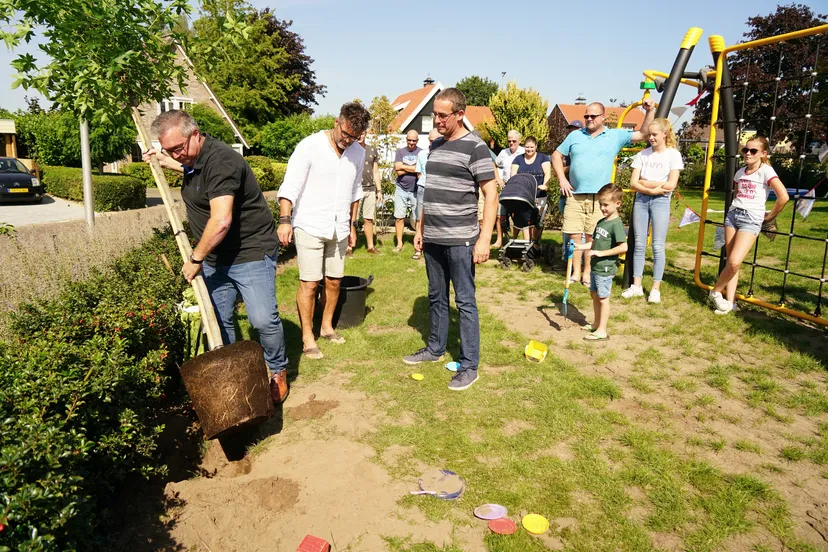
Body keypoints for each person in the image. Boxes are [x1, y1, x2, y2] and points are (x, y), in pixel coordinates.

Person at [145, 110, 289, 403]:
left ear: (196, 134)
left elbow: (221, 221)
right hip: (216, 256)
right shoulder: (193, 159)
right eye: (168, 150)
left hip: (248, 251)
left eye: (178, 148)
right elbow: (193, 171)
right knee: (219, 321)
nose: (177, 155)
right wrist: (165, 161)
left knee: (262, 320)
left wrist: (196, 258)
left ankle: (276, 370)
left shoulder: (223, 161)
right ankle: (235, 375)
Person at [403, 88, 497, 391]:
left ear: (460, 114)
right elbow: (429, 192)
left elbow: (491, 195)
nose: (437, 121)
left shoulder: (476, 147)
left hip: (461, 239)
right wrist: (420, 229)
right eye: (435, 114)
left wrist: (484, 240)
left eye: (443, 115)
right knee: (436, 296)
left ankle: (470, 365)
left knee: (465, 302)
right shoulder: (436, 146)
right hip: (433, 237)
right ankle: (435, 348)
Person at [277, 102, 370, 359]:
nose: (348, 140)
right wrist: (285, 220)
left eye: (354, 137)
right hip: (309, 224)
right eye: (346, 134)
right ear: (336, 122)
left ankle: (327, 326)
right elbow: (290, 186)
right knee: (310, 283)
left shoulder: (357, 153)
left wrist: (352, 225)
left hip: (339, 227)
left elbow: (354, 193)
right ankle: (307, 336)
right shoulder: (310, 146)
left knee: (334, 281)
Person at [553, 99, 655, 286]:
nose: (589, 119)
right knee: (574, 236)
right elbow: (556, 155)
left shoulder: (615, 135)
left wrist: (649, 111)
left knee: (593, 237)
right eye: (586, 116)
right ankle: (575, 272)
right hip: (575, 196)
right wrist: (562, 179)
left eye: (593, 116)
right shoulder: (575, 136)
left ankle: (587, 273)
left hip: (600, 199)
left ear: (603, 117)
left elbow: (643, 134)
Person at [708, 137, 789, 315]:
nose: (748, 154)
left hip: (751, 219)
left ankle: (714, 292)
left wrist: (768, 217)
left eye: (753, 151)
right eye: (746, 150)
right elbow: (737, 195)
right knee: (731, 263)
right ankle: (730, 303)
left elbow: (783, 196)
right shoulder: (740, 172)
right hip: (733, 216)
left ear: (763, 153)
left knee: (735, 262)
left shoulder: (766, 171)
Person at [621, 118, 684, 304]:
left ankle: (655, 288)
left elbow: (671, 184)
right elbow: (633, 182)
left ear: (665, 134)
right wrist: (650, 188)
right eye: (649, 135)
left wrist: (646, 183)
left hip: (661, 201)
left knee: (657, 245)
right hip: (641, 200)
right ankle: (636, 286)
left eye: (654, 135)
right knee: (639, 244)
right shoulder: (642, 155)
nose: (651, 138)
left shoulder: (673, 155)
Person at [574, 184, 627, 341]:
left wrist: (602, 253)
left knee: (603, 298)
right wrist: (579, 246)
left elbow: (624, 247)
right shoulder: (601, 222)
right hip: (596, 268)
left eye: (605, 205)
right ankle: (596, 324)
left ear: (617, 204)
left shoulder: (616, 224)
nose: (602, 208)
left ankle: (603, 330)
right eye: (600, 204)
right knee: (594, 295)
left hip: (605, 269)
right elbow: (594, 244)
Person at [346, 132, 382, 257]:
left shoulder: (372, 150)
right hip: (355, 190)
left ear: (366, 134)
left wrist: (379, 190)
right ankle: (349, 247)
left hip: (370, 189)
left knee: (369, 219)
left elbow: (376, 171)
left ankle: (370, 246)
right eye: (358, 134)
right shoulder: (350, 149)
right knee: (352, 219)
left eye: (362, 133)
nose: (360, 136)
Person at [511, 136, 551, 246]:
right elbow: (513, 175)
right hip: (523, 195)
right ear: (524, 147)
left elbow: (547, 173)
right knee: (524, 220)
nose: (529, 149)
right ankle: (524, 244)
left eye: (532, 147)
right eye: (527, 147)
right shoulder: (518, 159)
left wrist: (545, 185)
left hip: (539, 194)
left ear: (536, 147)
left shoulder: (543, 158)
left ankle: (536, 243)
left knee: (537, 220)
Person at [413, 128, 441, 260]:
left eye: (434, 140)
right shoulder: (422, 154)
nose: (432, 143)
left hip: (438, 190)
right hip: (423, 188)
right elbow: (419, 173)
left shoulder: (443, 153)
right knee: (420, 218)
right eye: (430, 140)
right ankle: (418, 248)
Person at [494, 130, 525, 248]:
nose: (511, 143)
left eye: (514, 141)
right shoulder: (503, 152)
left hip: (519, 187)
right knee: (500, 214)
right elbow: (494, 165)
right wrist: (498, 179)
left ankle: (516, 239)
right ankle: (499, 240)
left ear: (519, 141)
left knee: (518, 214)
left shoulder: (523, 152)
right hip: (506, 186)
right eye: (509, 141)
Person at [393, 130, 422, 253]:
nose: (411, 143)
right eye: (409, 140)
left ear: (417, 140)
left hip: (416, 190)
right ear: (406, 140)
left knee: (418, 219)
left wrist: (404, 166)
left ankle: (418, 243)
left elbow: (420, 170)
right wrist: (414, 168)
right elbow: (398, 170)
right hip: (401, 188)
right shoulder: (400, 152)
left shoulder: (421, 153)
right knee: (399, 217)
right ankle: (399, 243)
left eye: (414, 140)